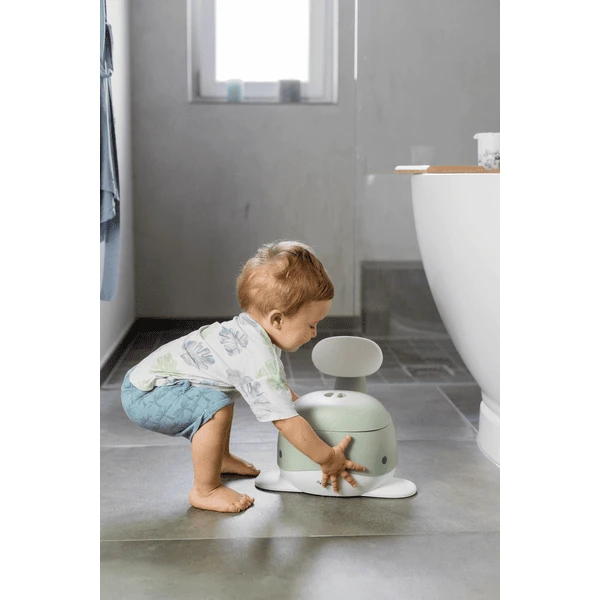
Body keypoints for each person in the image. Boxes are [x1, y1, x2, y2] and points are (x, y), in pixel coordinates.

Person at [121, 240, 366, 513]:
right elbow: (284, 421)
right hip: (147, 393)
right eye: (311, 324)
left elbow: (275, 389)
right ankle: (205, 489)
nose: (314, 333)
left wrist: (303, 408)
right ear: (277, 320)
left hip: (146, 381)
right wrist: (328, 459)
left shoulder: (252, 333)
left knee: (218, 399)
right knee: (214, 408)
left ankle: (220, 459)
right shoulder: (256, 355)